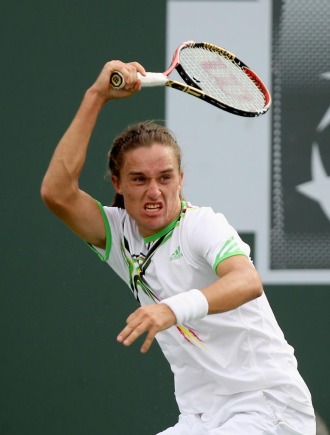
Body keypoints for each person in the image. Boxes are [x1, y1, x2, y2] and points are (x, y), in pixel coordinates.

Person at [41, 60, 316, 434]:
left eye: (165, 178)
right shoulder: (118, 234)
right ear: (118, 183)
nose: (154, 191)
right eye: (139, 179)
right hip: (200, 418)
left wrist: (171, 310)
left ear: (181, 180)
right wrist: (96, 96)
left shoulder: (202, 226)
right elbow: (57, 193)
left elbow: (246, 281)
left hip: (268, 408)